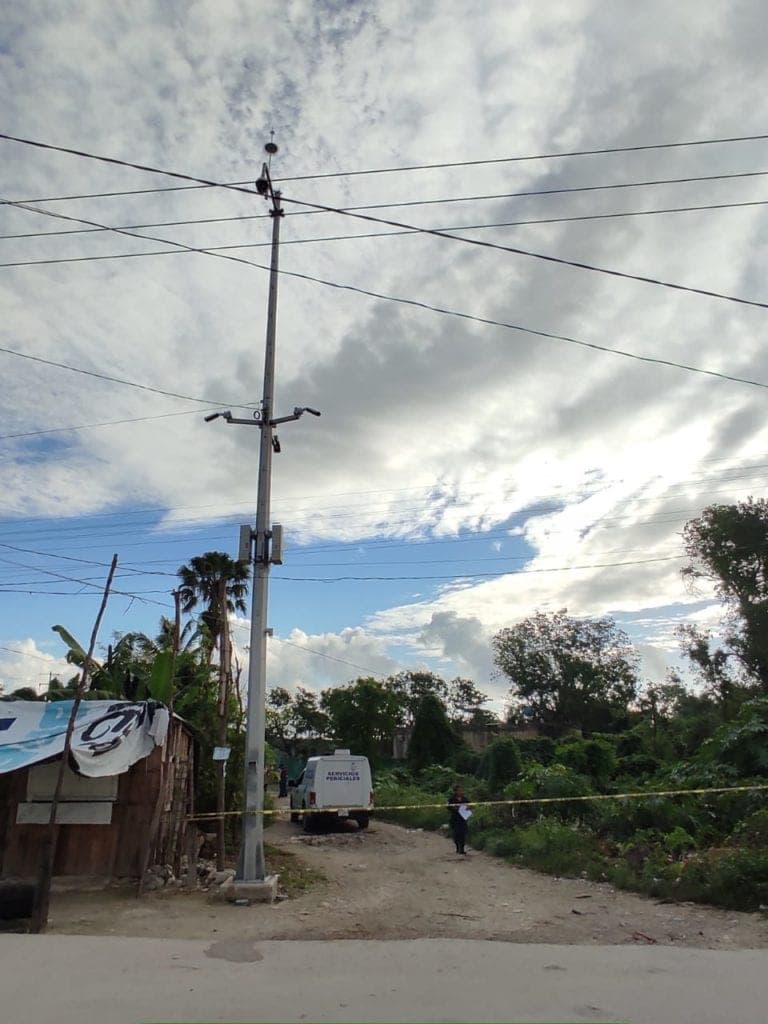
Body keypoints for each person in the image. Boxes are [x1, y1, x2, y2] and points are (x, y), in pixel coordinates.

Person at [447, 783, 469, 855]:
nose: (461, 792)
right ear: (455, 791)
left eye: (461, 790)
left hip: (463, 818)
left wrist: (468, 807)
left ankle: (462, 849)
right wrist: (455, 809)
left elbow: (470, 805)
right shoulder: (452, 799)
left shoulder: (465, 799)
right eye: (459, 790)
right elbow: (448, 806)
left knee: (463, 834)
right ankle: (457, 847)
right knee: (456, 834)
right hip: (455, 819)